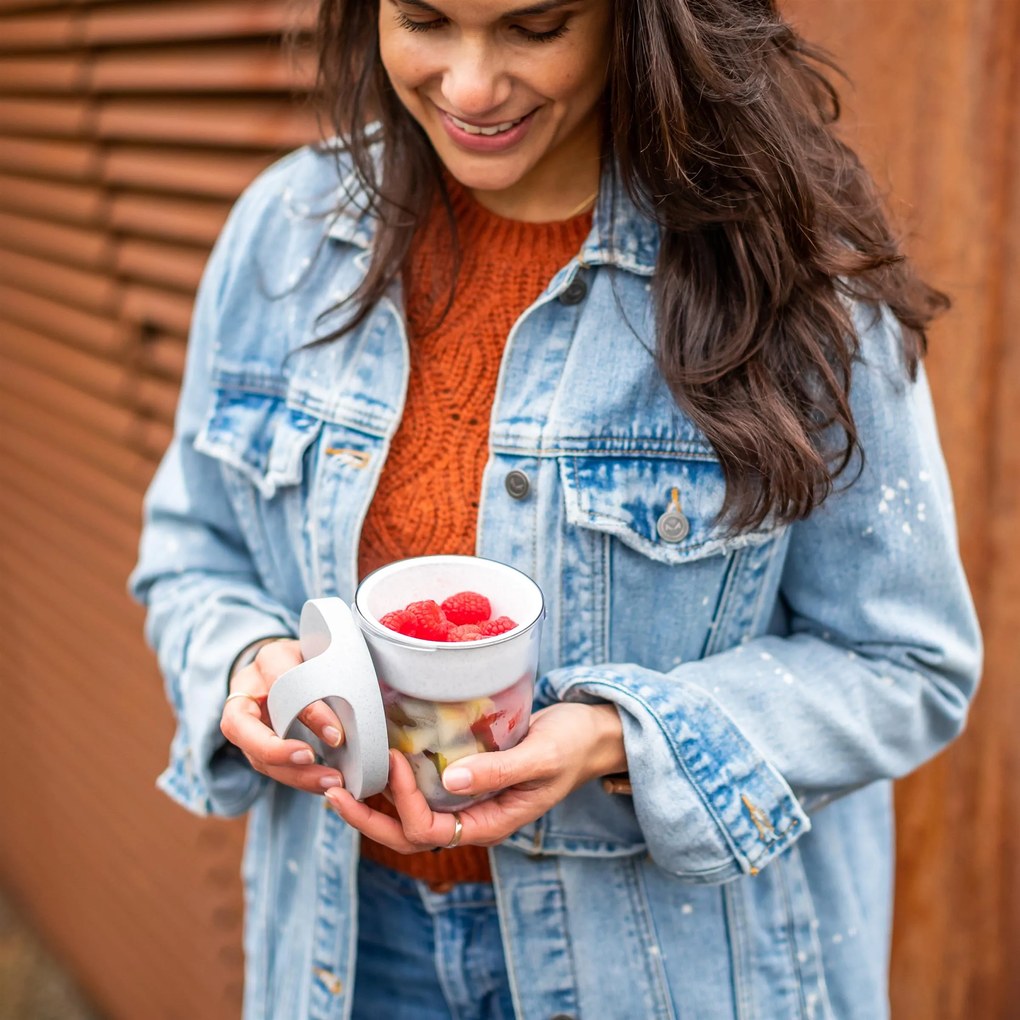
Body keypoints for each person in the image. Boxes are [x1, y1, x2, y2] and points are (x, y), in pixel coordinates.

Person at [129, 1, 982, 1017]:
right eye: (426, 21)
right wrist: (248, 664)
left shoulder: (786, 273)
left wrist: (621, 737)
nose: (472, 85)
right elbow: (191, 553)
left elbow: (908, 665)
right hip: (351, 954)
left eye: (534, 28)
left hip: (668, 971)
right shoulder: (285, 236)